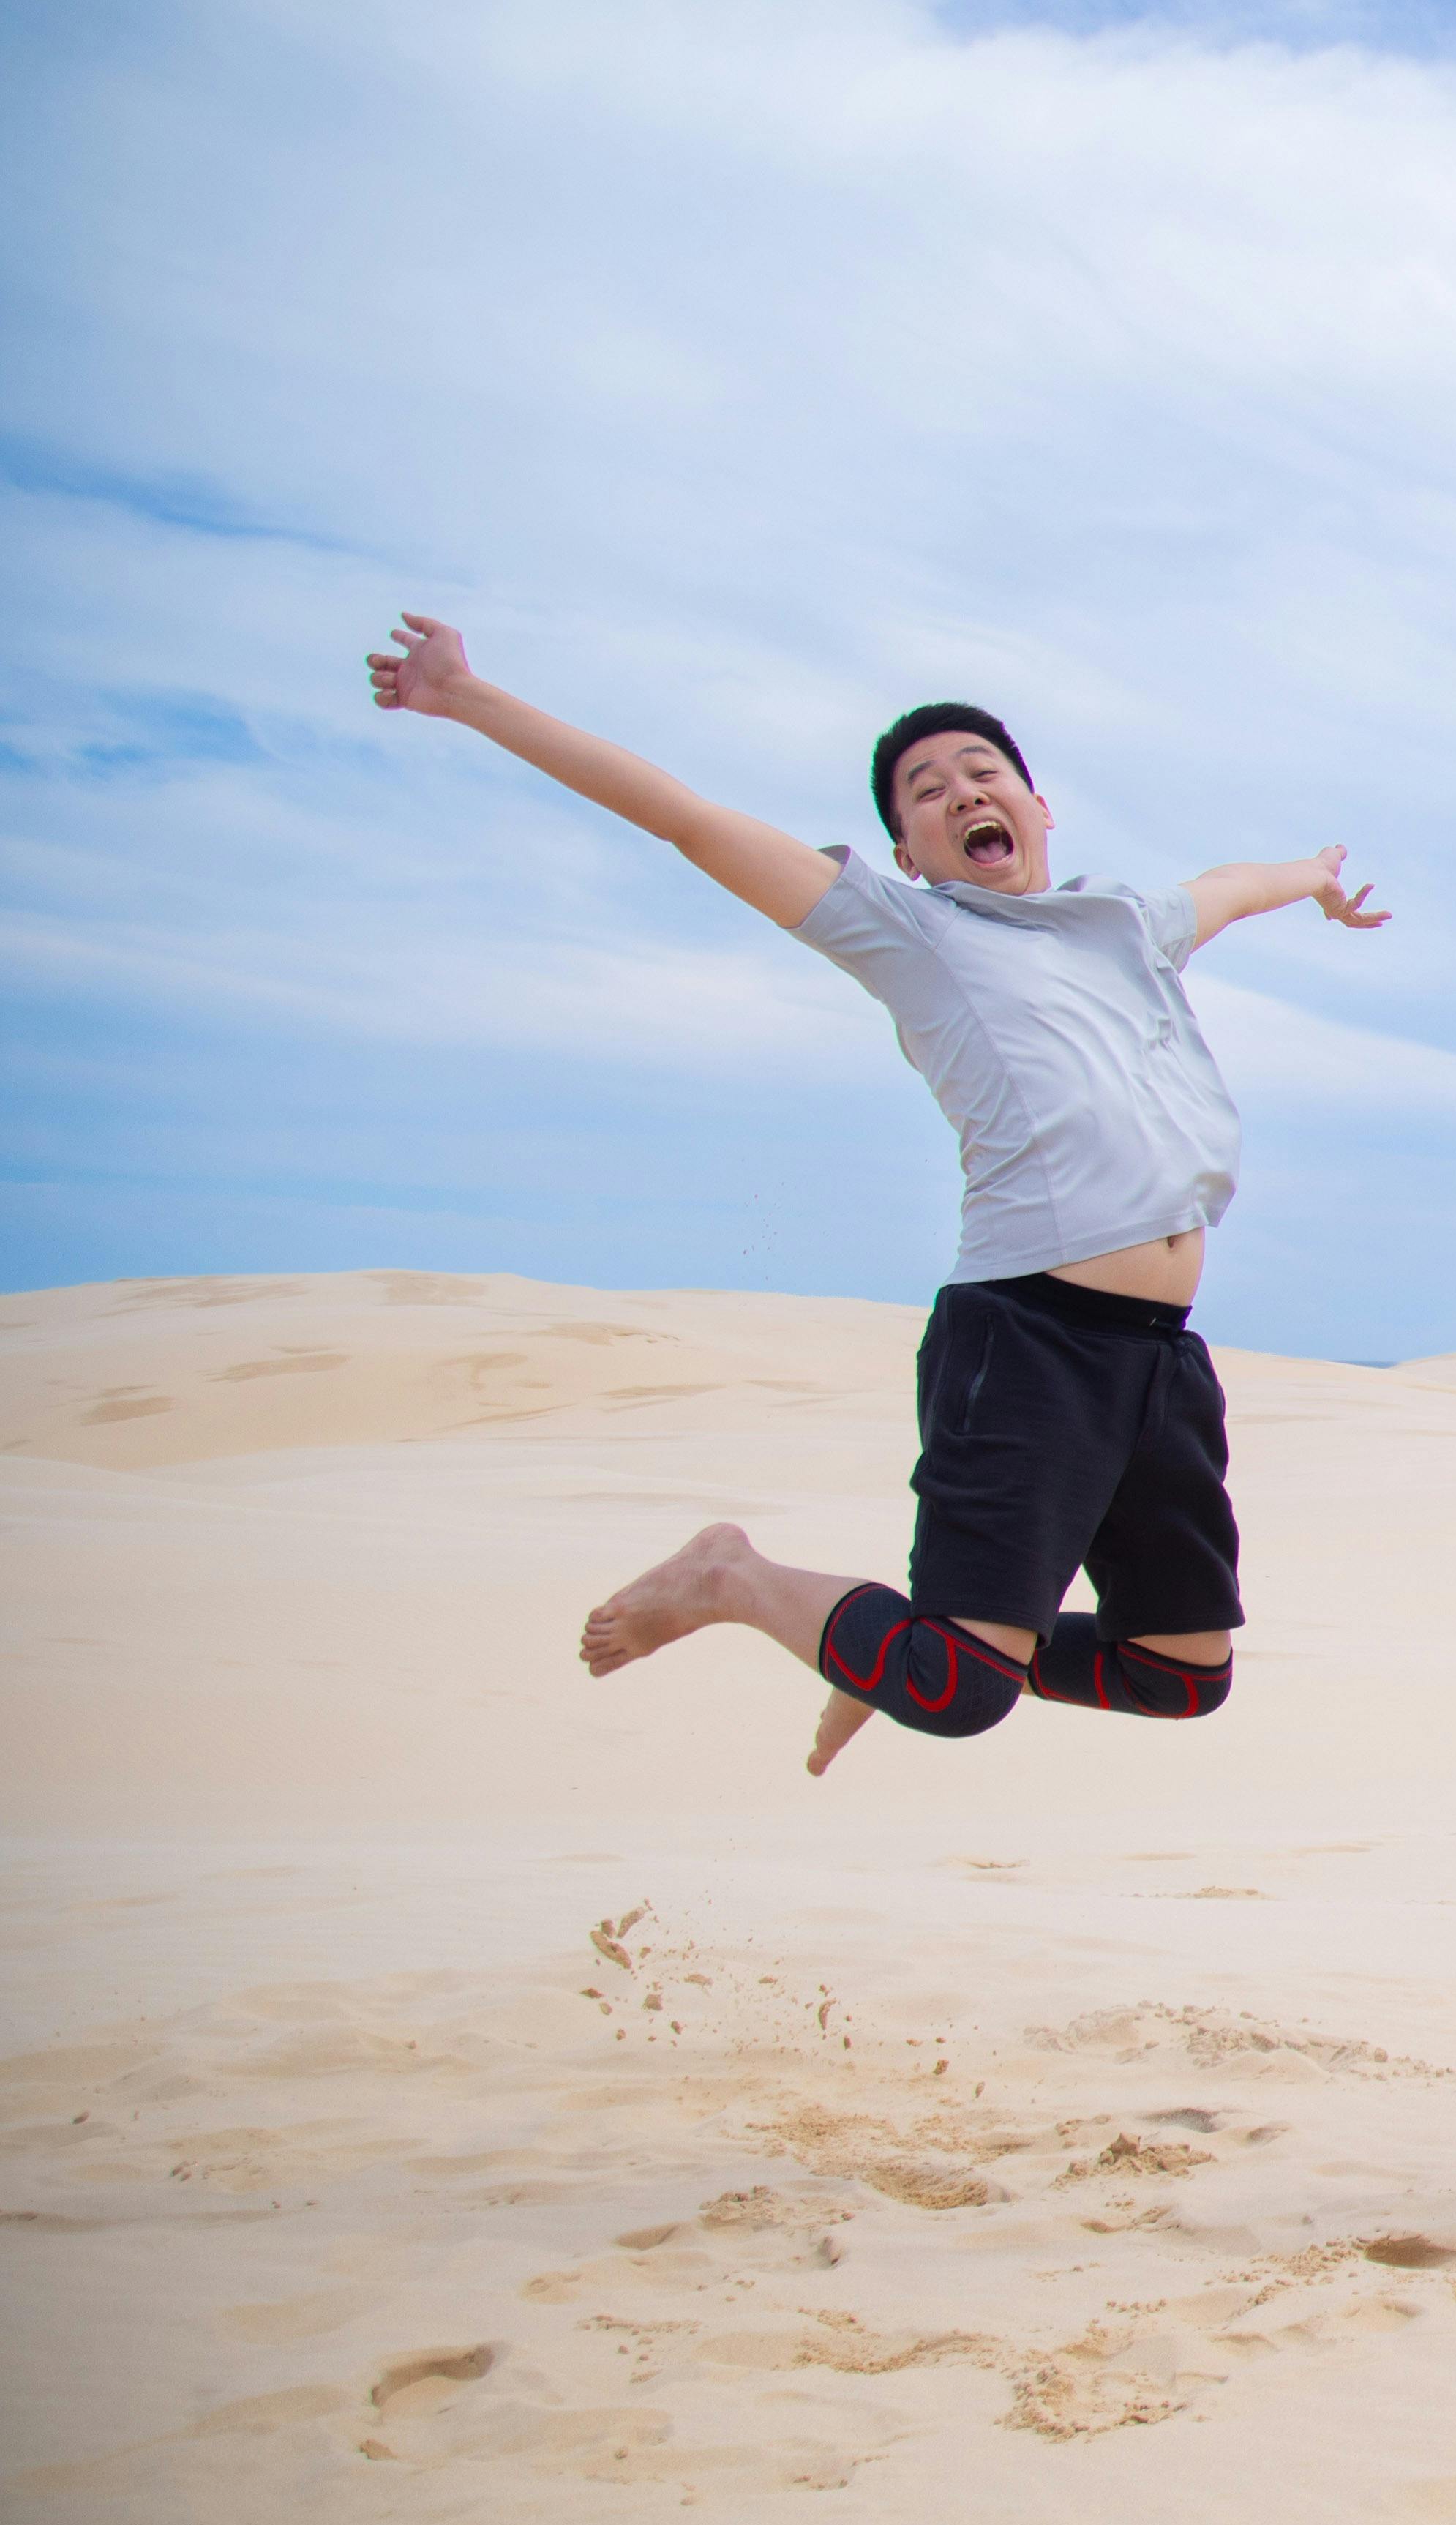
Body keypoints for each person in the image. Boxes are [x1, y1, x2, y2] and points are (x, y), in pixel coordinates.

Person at [362, 616, 1386, 1773]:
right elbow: (688, 819)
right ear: (908, 852)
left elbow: (1233, 885)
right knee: (957, 1697)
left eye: (982, 772)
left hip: (1158, 1355)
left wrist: (1316, 883)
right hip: (1031, 1336)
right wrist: (467, 696)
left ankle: (889, 1646)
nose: (959, 792)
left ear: (1040, 808)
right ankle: (739, 1580)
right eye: (926, 791)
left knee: (1179, 1673)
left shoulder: (1126, 925)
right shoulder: (914, 931)